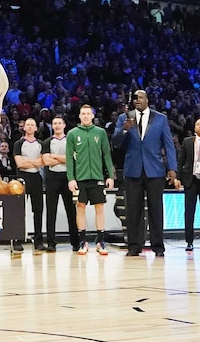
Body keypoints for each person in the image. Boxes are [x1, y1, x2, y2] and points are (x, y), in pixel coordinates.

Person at [113, 90, 179, 257]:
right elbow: (115, 142)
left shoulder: (160, 118)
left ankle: (158, 246)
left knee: (156, 209)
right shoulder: (124, 118)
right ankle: (134, 245)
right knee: (133, 210)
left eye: (141, 97)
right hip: (133, 169)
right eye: (135, 98)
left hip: (154, 169)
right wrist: (125, 131)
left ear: (147, 100)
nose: (137, 100)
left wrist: (172, 168)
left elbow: (168, 145)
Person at [66, 106, 114, 255]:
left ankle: (101, 241)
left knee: (99, 208)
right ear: (79, 116)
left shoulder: (100, 133)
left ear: (92, 116)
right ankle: (83, 241)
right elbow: (69, 158)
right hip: (80, 178)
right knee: (80, 207)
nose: (86, 116)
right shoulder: (72, 134)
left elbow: (106, 155)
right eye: (83, 114)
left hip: (97, 177)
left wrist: (110, 176)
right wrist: (71, 178)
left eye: (88, 114)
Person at [42, 115, 78, 252]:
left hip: (68, 178)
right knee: (51, 211)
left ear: (64, 125)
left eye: (59, 123)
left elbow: (73, 159)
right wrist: (64, 158)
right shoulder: (47, 142)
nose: (57, 125)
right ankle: (51, 243)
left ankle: (75, 242)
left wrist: (55, 156)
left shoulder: (70, 140)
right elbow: (46, 161)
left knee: (71, 211)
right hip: (52, 178)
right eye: (54, 123)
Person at [177, 118, 200, 252]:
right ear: (195, 128)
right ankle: (189, 241)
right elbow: (181, 160)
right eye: (198, 124)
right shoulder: (187, 141)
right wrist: (178, 177)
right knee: (189, 212)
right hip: (190, 180)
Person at [13, 117, 45, 251]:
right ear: (24, 127)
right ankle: (17, 239)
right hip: (23, 176)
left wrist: (28, 161)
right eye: (28, 125)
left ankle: (38, 240)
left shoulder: (41, 144)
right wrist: (35, 161)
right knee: (20, 210)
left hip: (36, 177)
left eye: (33, 125)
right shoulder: (19, 143)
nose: (30, 127)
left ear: (36, 128)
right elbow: (19, 163)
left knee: (38, 209)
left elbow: (42, 162)